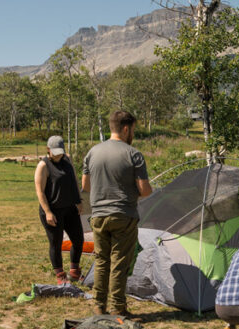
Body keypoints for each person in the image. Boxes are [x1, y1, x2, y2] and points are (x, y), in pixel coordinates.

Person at [81, 110, 153, 316]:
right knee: (119, 262)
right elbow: (145, 190)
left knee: (102, 260)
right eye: (133, 130)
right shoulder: (133, 154)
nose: (133, 134)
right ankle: (118, 307)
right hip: (123, 214)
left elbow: (86, 186)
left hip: (98, 215)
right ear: (125, 128)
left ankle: (98, 306)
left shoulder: (92, 152)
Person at [35, 135, 84, 284]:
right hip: (53, 211)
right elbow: (40, 191)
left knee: (78, 239)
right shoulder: (43, 166)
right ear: (48, 150)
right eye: (55, 152)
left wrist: (79, 200)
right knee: (56, 243)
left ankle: (74, 271)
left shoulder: (67, 160)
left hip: (70, 208)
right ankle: (60, 275)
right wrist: (48, 212)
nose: (58, 154)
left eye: (60, 151)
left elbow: (74, 180)